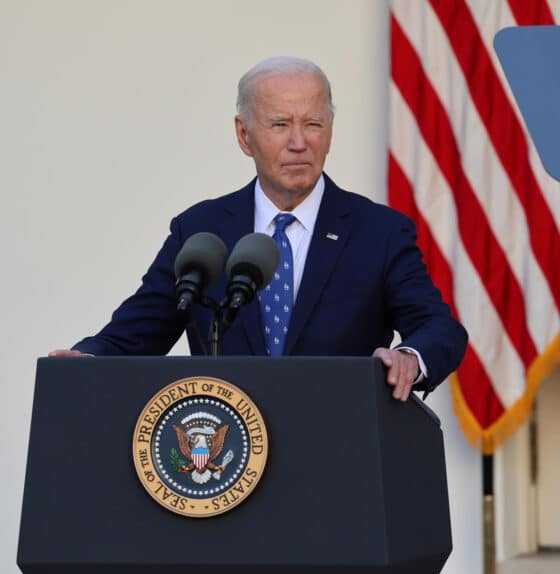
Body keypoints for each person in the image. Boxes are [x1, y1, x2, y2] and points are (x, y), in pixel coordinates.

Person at [50, 56, 467, 401]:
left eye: (314, 124)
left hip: (340, 457)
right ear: (244, 135)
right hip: (227, 461)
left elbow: (440, 328)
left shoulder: (379, 231)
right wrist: (84, 361)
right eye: (280, 124)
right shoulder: (200, 231)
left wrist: (411, 356)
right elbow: (136, 334)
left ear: (330, 131)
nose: (299, 142)